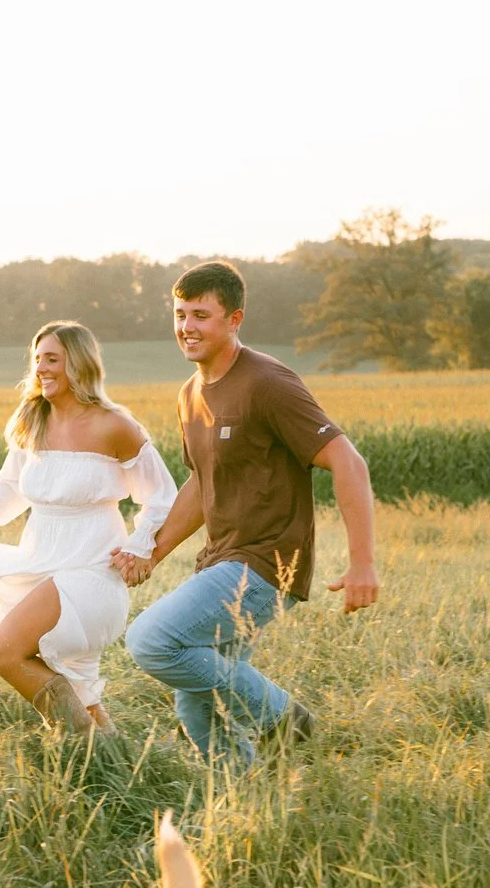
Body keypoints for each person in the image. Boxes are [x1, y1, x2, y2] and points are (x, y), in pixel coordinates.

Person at [115, 260, 379, 760]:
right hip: (221, 559)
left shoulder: (267, 382)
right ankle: (247, 802)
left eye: (201, 315)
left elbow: (348, 461)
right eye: (179, 314)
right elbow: (200, 481)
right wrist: (152, 550)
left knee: (151, 641)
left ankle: (283, 718)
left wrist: (362, 562)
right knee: (197, 708)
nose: (187, 327)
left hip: (266, 563)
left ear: (233, 320)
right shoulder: (190, 394)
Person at [0, 321, 177, 733]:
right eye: (37, 359)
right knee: (84, 697)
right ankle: (105, 763)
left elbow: (162, 496)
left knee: (7, 652)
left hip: (93, 573)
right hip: (40, 565)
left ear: (78, 365)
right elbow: (8, 491)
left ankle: (74, 746)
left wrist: (138, 546)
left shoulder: (114, 425)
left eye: (52, 359)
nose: (41, 368)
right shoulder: (34, 421)